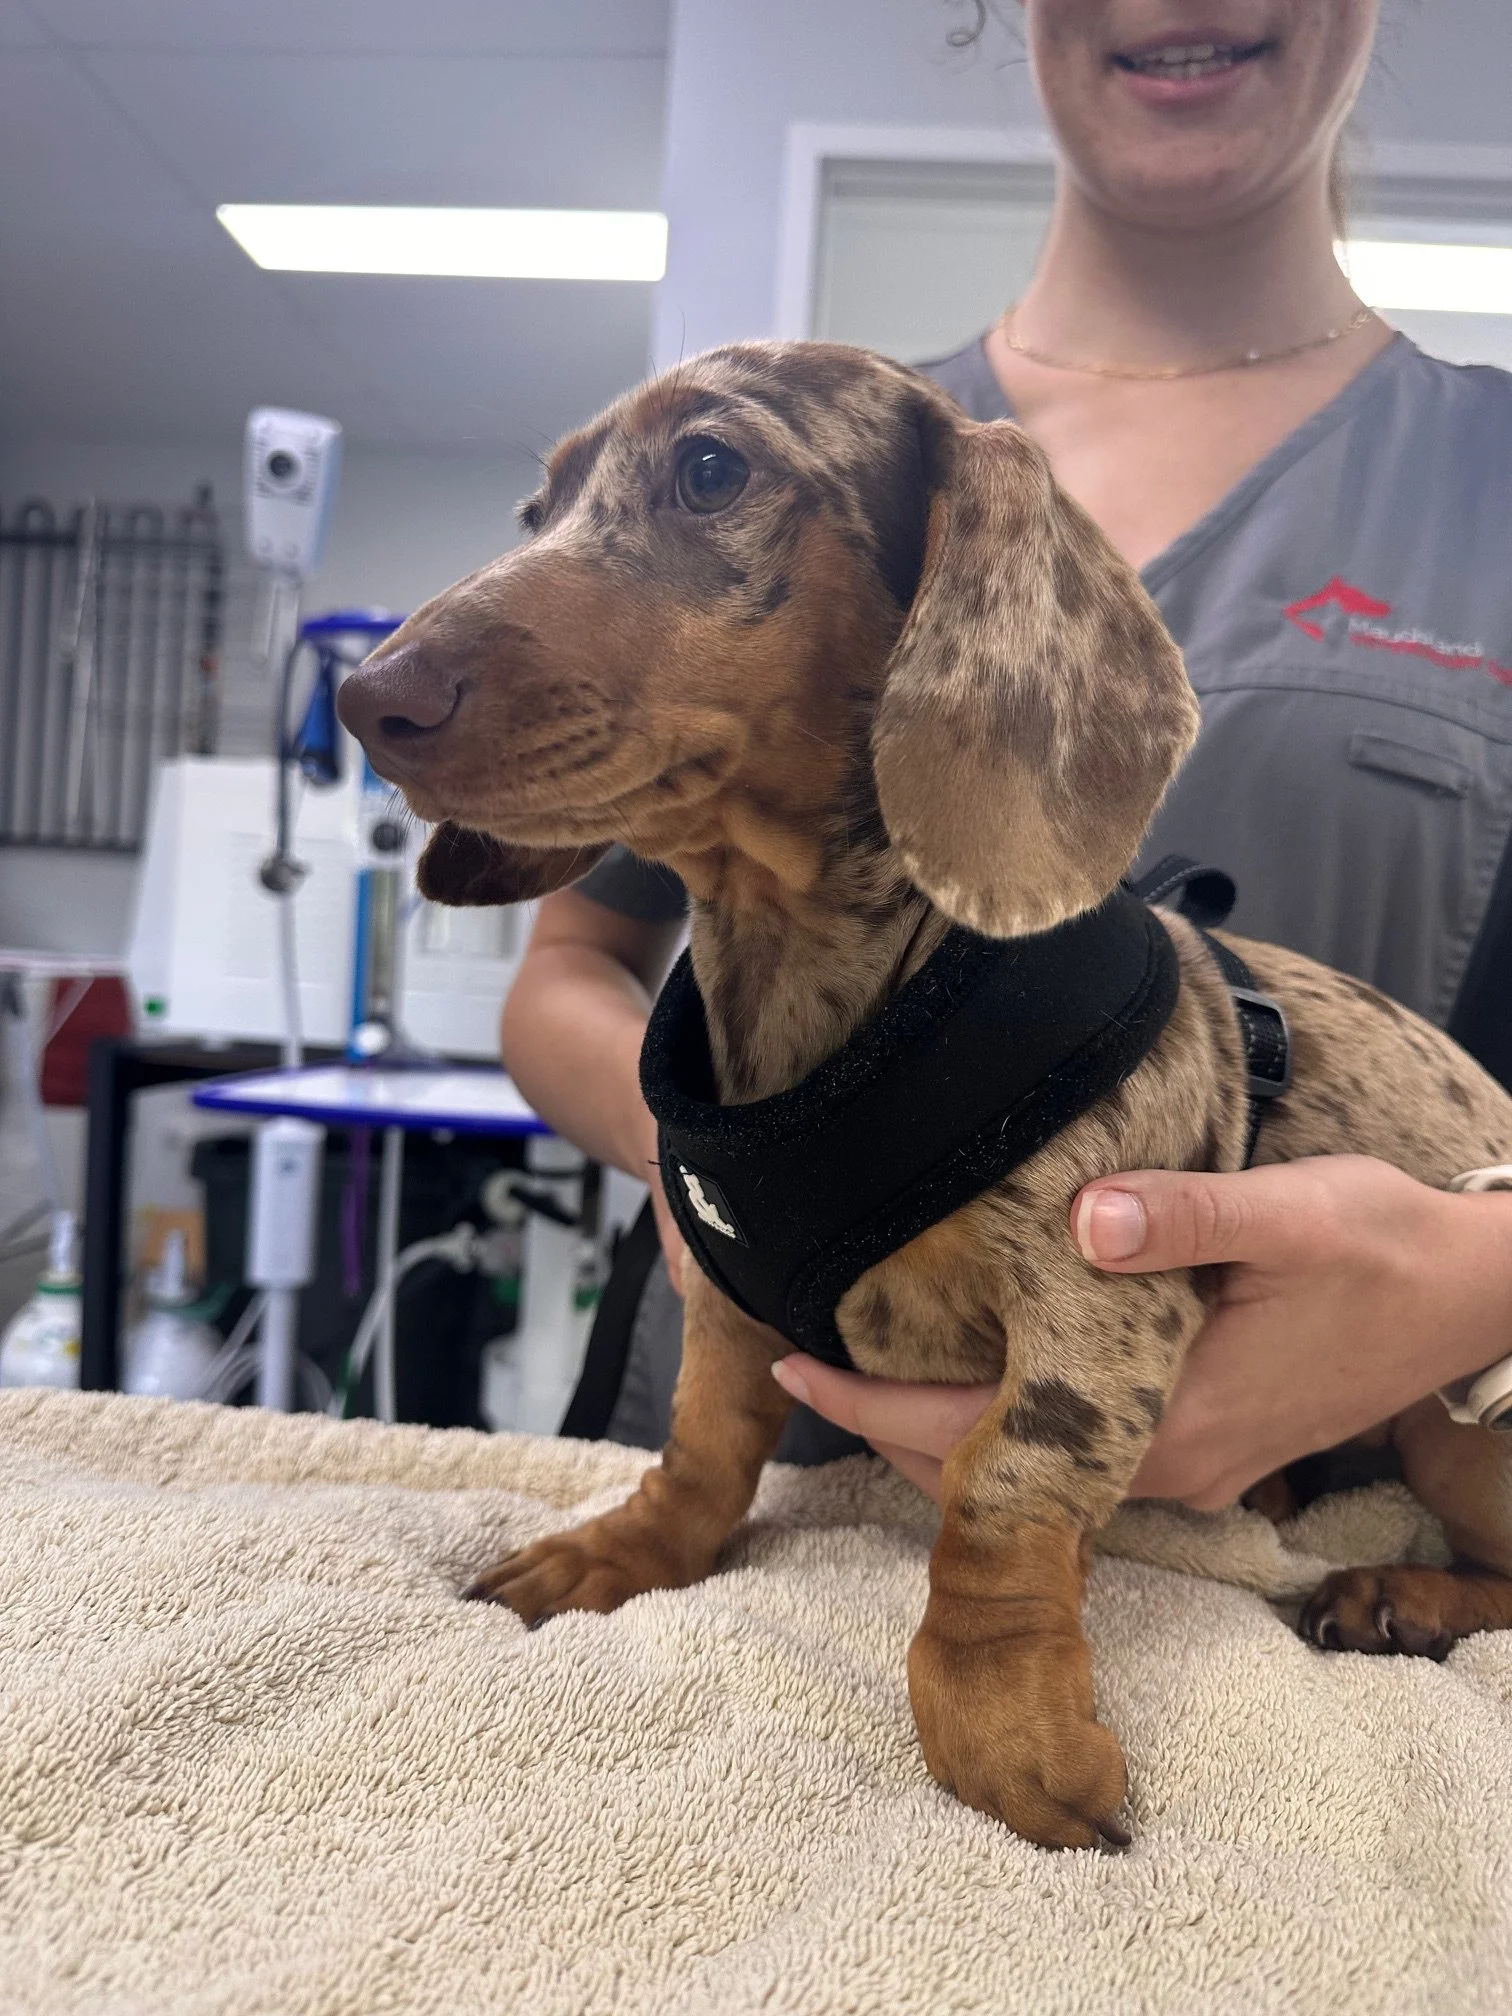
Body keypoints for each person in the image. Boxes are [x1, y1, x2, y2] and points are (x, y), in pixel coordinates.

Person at [501, 0, 1512, 1500]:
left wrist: (1479, 1282)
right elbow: (569, 967)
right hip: (756, 1489)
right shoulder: (778, 465)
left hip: (1315, 1535)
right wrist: (741, 1173)